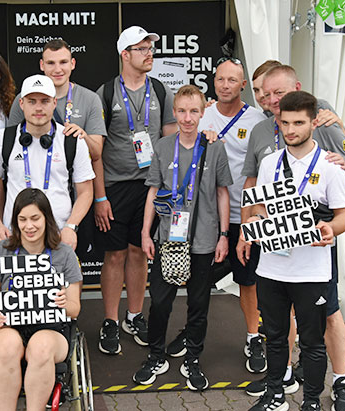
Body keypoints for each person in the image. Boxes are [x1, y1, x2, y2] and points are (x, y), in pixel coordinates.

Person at [240, 66, 345, 410]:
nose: (291, 129)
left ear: (313, 123)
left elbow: (344, 216)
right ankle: (276, 394)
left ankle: (311, 401)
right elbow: (258, 204)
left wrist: (329, 229)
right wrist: (254, 224)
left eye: (298, 123)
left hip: (312, 270)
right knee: (276, 338)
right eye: (285, 123)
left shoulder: (330, 165)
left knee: (312, 342)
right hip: (273, 268)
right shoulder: (270, 164)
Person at [165, 57, 269, 373]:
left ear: (243, 85)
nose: (225, 85)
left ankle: (254, 337)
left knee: (247, 281)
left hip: (245, 214)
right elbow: (174, 145)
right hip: (205, 217)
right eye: (220, 79)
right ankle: (192, 331)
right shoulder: (201, 114)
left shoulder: (256, 120)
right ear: (214, 81)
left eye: (232, 80)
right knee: (198, 281)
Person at [132, 85, 231, 391]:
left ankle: (194, 359)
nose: (188, 118)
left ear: (203, 113)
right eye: (182, 111)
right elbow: (152, 191)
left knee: (199, 303)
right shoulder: (162, 147)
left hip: (203, 239)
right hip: (168, 239)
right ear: (174, 112)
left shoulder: (214, 147)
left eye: (194, 111)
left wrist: (224, 235)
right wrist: (146, 232)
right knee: (161, 302)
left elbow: (222, 192)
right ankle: (156, 354)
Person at [94, 26, 178, 354]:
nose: (148, 53)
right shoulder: (105, 93)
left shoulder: (160, 90)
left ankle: (134, 315)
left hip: (150, 187)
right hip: (115, 187)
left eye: (149, 47)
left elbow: (172, 142)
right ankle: (111, 321)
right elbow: (96, 151)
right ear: (124, 54)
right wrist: (100, 196)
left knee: (139, 251)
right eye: (141, 49)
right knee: (114, 254)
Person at [0, 188, 82, 411]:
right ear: (15, 221)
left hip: (51, 329)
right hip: (4, 328)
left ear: (47, 218)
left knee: (41, 346)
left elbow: (75, 309)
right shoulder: (0, 251)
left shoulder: (64, 254)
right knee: (8, 345)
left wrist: (65, 303)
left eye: (35, 218)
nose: (29, 226)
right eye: (22, 219)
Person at [0, 74, 95, 250]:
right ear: (21, 104)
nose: (38, 107)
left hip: (59, 236)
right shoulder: (3, 139)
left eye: (44, 101)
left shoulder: (71, 140)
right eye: (32, 101)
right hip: (15, 235)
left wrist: (71, 226)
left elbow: (86, 190)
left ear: (54, 103)